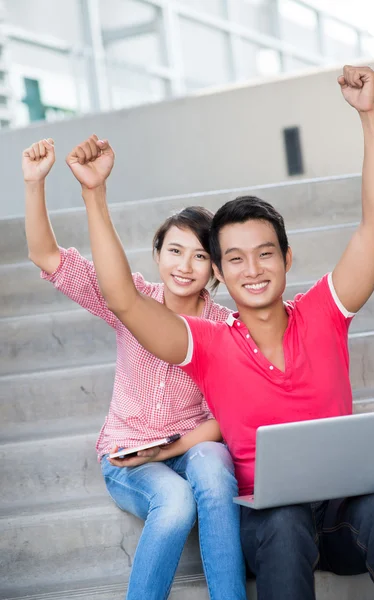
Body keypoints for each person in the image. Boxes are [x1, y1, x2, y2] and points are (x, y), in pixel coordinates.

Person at [67, 64, 374, 599]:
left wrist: (370, 116)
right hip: (268, 527)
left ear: (287, 258)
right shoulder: (210, 343)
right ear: (219, 272)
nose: (254, 269)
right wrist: (95, 197)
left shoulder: (324, 313)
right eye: (237, 259)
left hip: (340, 516)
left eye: (266, 253)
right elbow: (124, 301)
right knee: (286, 520)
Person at [22, 142, 247, 600]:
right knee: (176, 501)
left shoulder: (227, 327)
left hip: (189, 446)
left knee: (214, 466)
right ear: (158, 253)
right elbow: (46, 256)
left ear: (217, 271)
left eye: (200, 256)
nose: (185, 266)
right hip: (128, 455)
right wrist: (35, 182)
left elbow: (227, 419)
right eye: (175, 251)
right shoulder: (130, 297)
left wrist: (173, 450)